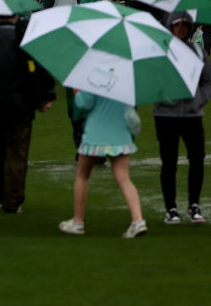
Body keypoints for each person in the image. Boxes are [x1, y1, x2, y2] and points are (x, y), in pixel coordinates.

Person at [0, 14, 55, 213]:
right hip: (20, 105)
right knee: (17, 153)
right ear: (16, 16)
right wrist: (46, 96)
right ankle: (13, 198)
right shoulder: (25, 39)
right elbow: (41, 69)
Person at [59, 88, 147, 238]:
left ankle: (78, 223)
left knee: (82, 175)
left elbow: (83, 104)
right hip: (120, 134)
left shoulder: (95, 77)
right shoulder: (124, 80)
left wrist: (76, 92)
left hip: (95, 135)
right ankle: (138, 220)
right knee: (124, 178)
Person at [154, 12, 211, 224]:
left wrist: (199, 100)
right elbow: (150, 79)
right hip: (165, 115)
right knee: (169, 163)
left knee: (197, 159)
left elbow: (208, 80)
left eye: (185, 26)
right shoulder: (160, 52)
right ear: (170, 26)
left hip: (192, 114)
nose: (181, 30)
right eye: (177, 26)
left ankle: (194, 205)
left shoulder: (198, 52)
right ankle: (170, 208)